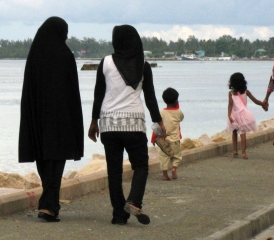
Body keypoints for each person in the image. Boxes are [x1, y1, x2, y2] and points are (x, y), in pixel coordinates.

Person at [88, 24, 166, 225]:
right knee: (140, 166)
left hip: (109, 124)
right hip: (133, 124)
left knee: (114, 171)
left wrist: (93, 121)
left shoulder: (105, 63)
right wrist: (158, 121)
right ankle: (134, 201)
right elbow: (150, 98)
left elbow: (98, 94)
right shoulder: (143, 66)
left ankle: (118, 215)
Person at [18, 17, 84, 222]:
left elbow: (28, 90)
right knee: (56, 161)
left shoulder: (35, 55)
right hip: (61, 118)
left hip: (37, 118)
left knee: (44, 159)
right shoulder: (65, 55)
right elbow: (73, 91)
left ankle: (50, 205)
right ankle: (48, 206)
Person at [226, 72, 265, 159]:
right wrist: (263, 104)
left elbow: (230, 105)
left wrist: (229, 115)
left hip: (234, 114)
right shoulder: (246, 92)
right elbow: (255, 101)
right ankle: (243, 152)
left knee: (234, 132)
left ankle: (235, 151)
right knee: (243, 133)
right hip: (244, 114)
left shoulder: (231, 93)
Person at [151, 88, 184, 180]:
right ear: (176, 100)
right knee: (177, 156)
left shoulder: (161, 112)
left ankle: (165, 175)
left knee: (163, 158)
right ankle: (174, 169)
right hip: (175, 140)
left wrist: (153, 139)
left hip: (162, 140)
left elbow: (156, 127)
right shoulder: (178, 112)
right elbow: (181, 118)